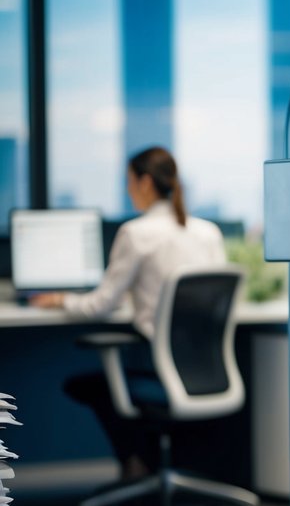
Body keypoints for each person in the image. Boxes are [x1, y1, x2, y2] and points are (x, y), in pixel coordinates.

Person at [31, 146, 227, 479]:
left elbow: (99, 305)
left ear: (146, 182)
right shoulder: (208, 233)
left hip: (161, 372)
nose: (127, 190)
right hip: (205, 372)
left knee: (88, 385)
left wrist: (60, 300)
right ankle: (147, 467)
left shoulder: (136, 233)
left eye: (129, 181)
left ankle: (136, 466)